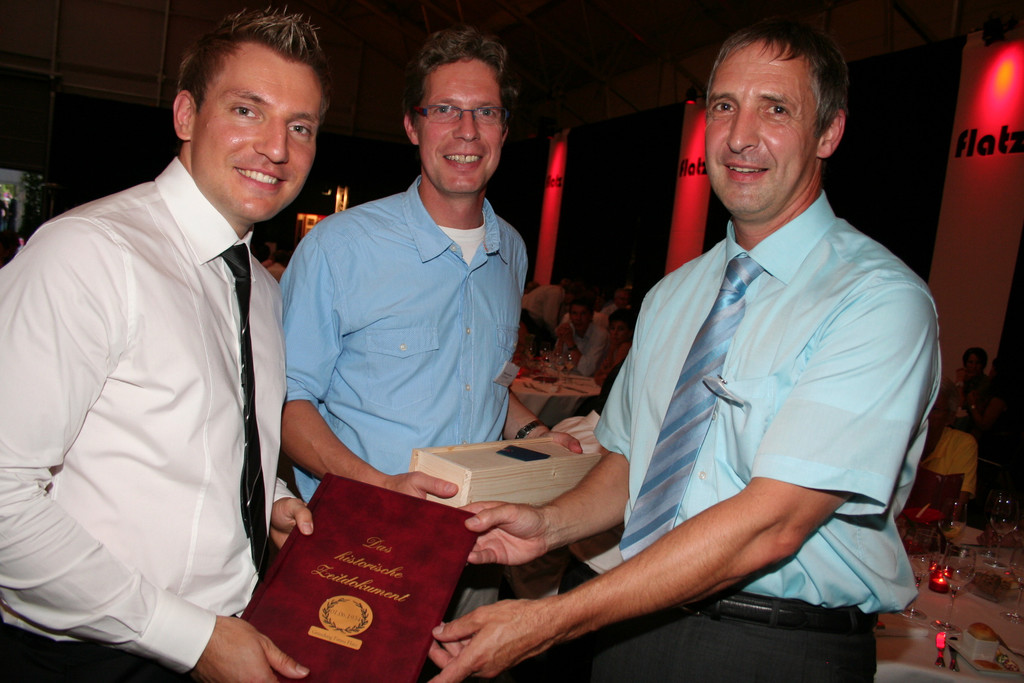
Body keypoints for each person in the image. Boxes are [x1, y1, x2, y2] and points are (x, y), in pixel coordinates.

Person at [427, 18, 939, 683]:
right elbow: (630, 464)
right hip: (634, 618)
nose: (740, 135)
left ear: (829, 131)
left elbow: (774, 524)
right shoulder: (674, 295)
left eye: (775, 109)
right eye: (724, 106)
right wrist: (547, 524)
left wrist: (550, 619)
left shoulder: (876, 302)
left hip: (775, 648)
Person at [0, 8, 330, 681]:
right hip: (91, 655)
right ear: (186, 114)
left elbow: (211, 434)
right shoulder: (89, 254)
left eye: (300, 127)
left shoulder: (262, 289)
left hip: (232, 629)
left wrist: (267, 500)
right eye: (247, 110)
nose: (276, 148)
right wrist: (192, 638)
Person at [280, 25, 579, 502]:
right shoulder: (339, 248)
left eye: (486, 112)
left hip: (480, 523)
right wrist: (382, 486)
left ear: (504, 130)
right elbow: (287, 402)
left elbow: (485, 385)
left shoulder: (511, 251)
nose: (468, 130)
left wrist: (535, 434)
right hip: (366, 525)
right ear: (412, 126)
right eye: (444, 110)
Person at [918, 378, 979, 508]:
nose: (925, 414)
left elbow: (956, 507)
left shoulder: (962, 444)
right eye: (921, 405)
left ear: (950, 417)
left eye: (934, 409)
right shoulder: (899, 438)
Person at [554, 295, 609, 377]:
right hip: (569, 376)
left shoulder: (600, 335)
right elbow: (555, 364)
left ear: (591, 316)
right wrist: (561, 341)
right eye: (574, 313)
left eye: (583, 314)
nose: (578, 318)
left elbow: (587, 371)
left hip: (591, 381)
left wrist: (570, 343)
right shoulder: (568, 329)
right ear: (570, 316)